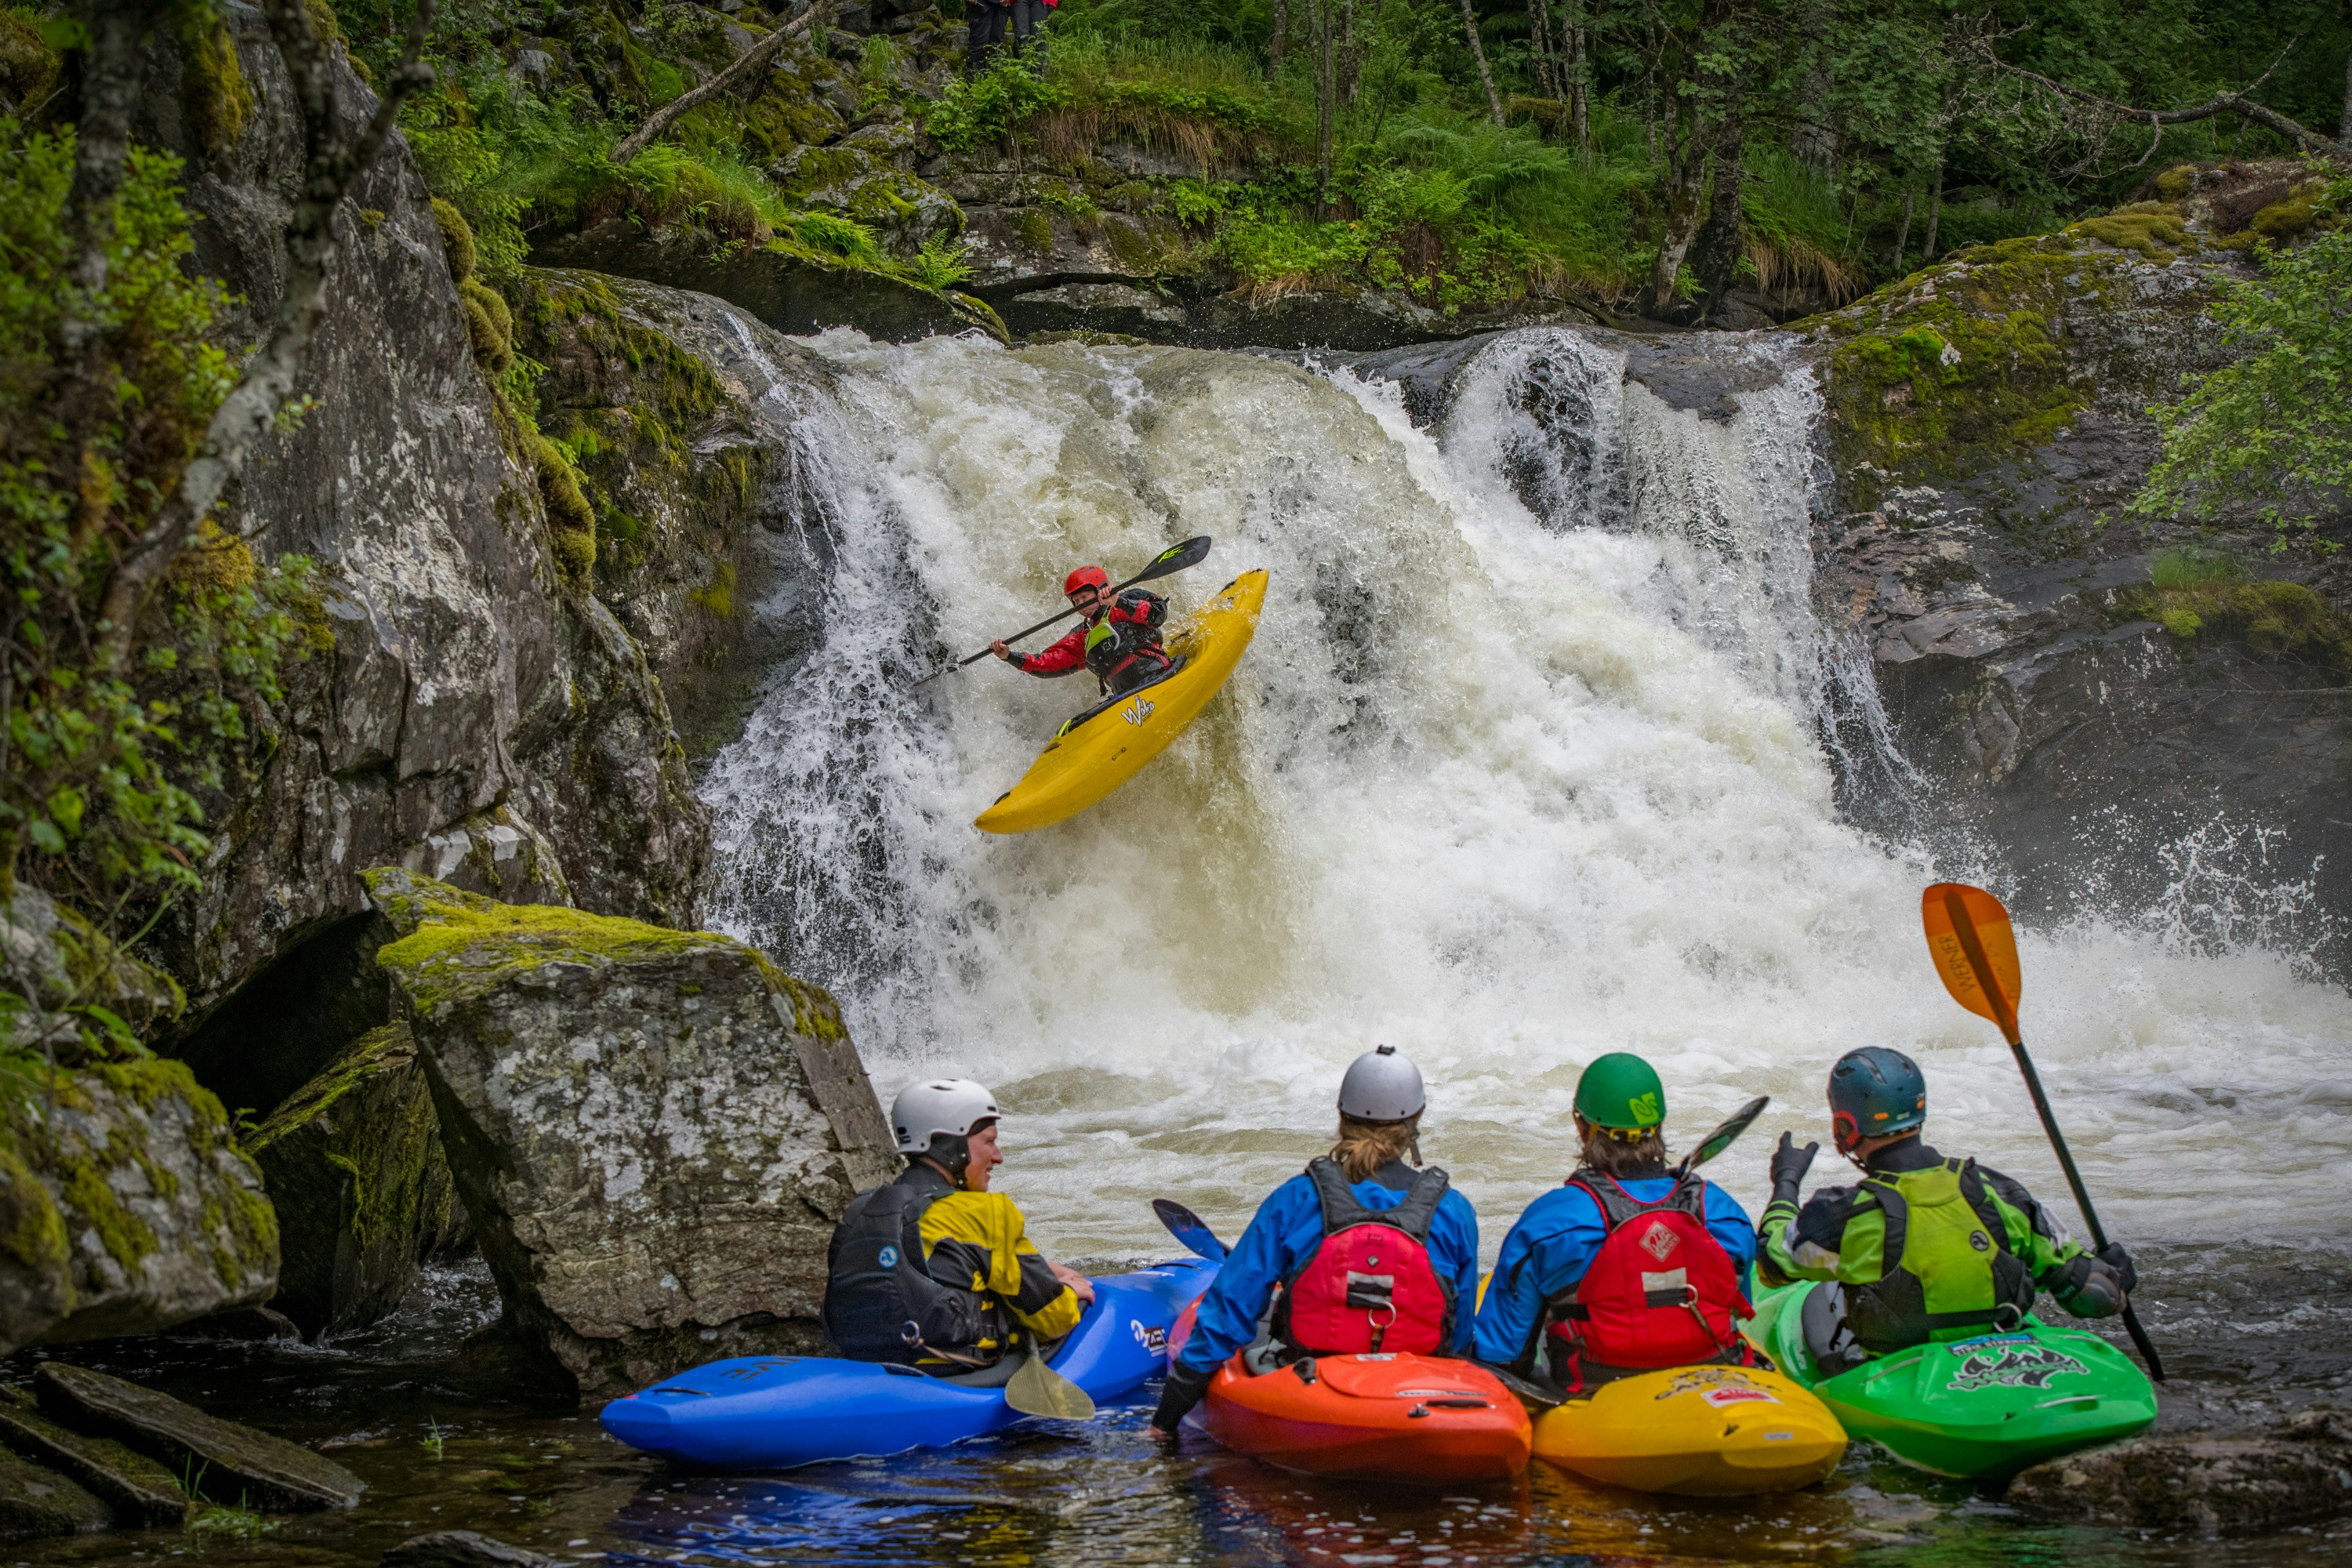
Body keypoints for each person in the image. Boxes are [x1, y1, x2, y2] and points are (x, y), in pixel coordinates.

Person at [1148, 1047, 1481, 1438]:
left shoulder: (1296, 1199)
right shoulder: (1454, 1209)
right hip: (1416, 1391)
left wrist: (1165, 1422)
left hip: (1310, 1381)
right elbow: (1458, 1333)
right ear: (1415, 1122)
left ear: (1342, 1117)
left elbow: (1228, 1313)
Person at [1756, 1046, 2136, 1370]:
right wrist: (2114, 1272)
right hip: (2006, 1359)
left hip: (1904, 1375)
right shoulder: (1996, 1190)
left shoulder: (1844, 1213)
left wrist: (1787, 1181)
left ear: (1844, 1128)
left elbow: (1771, 1265)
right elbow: (2095, 1297)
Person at [1471, 1053, 1760, 1396]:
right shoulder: (1722, 1212)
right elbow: (1737, 1308)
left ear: (1582, 1128)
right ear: (1660, 1126)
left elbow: (1502, 1357)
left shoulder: (1550, 1222)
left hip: (1594, 1391)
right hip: (1714, 1379)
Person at [824, 1077, 1095, 1370]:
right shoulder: (986, 1212)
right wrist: (1068, 1293)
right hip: (954, 1373)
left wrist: (1046, 1269)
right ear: (953, 1146)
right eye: (989, 1142)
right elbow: (1053, 1320)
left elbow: (921, 1263)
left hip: (864, 1368)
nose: (998, 1157)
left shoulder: (861, 1208)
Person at [991, 564, 1174, 699]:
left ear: (1100, 591)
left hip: (1160, 676)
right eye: (1075, 601)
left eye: (1084, 598)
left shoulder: (1127, 601)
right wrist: (1009, 656)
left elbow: (1158, 614)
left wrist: (1119, 602)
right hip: (1127, 697)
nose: (1080, 606)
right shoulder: (1083, 636)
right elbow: (1046, 664)